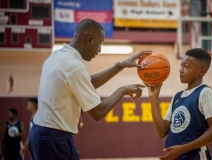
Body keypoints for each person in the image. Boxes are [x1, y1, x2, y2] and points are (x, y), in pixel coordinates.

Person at [29, 18, 151, 160]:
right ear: (88, 40)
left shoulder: (58, 56)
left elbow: (85, 83)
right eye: (100, 44)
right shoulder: (74, 67)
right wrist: (122, 90)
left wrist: (120, 66)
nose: (99, 49)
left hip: (39, 134)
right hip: (54, 138)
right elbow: (98, 112)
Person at [147, 48, 212, 160]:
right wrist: (153, 98)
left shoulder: (205, 92)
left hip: (195, 156)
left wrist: (183, 149)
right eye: (181, 66)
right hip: (176, 156)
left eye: (186, 66)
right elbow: (162, 132)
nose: (181, 70)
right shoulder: (177, 96)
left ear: (201, 71)